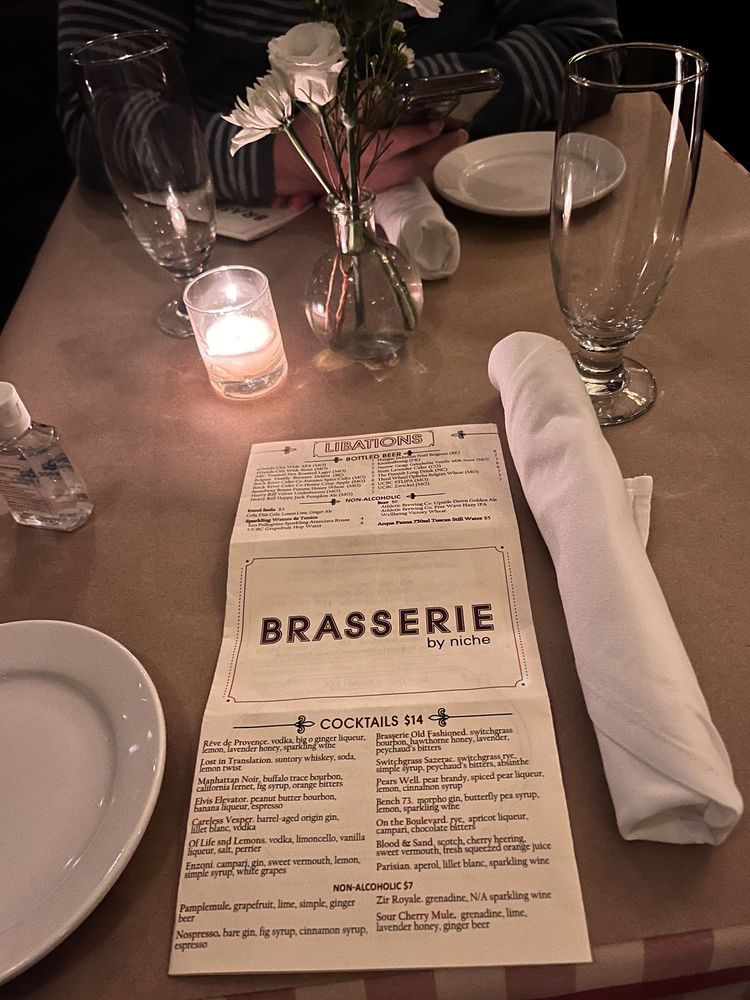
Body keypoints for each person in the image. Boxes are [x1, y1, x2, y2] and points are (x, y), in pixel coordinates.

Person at [57, 0, 621, 207]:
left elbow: (587, 50)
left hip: (489, 198)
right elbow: (98, 110)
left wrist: (394, 100)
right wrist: (280, 158)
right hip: (237, 236)